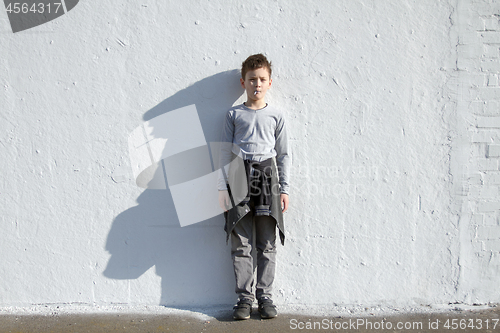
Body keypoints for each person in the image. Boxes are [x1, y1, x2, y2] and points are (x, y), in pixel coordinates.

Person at [218, 54, 291, 320]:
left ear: (269, 82)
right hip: (238, 175)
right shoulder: (234, 115)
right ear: (243, 82)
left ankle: (265, 296)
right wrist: (222, 189)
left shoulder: (276, 115)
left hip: (267, 176)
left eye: (261, 79)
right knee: (241, 242)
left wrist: (284, 188)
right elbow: (225, 153)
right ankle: (244, 300)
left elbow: (283, 155)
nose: (256, 84)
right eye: (252, 79)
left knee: (267, 242)